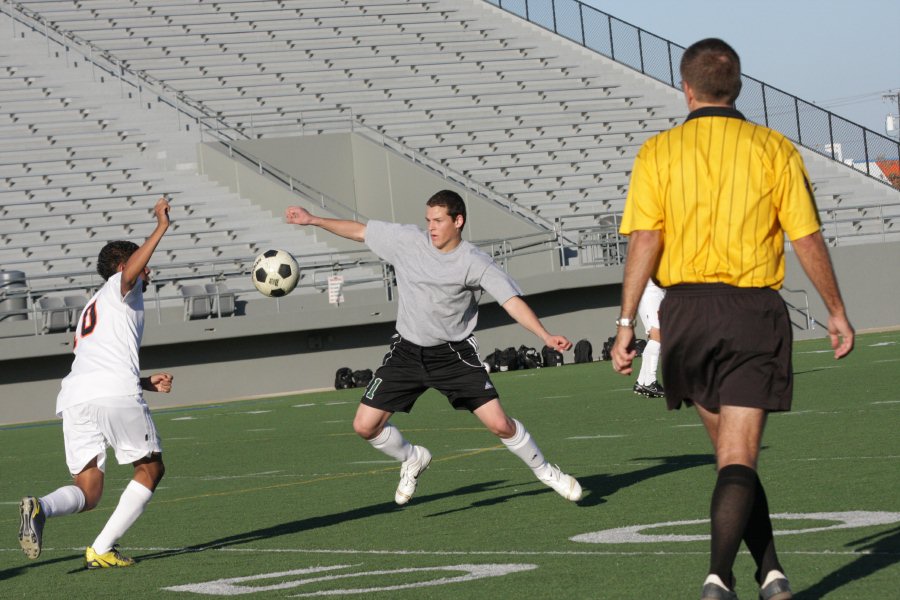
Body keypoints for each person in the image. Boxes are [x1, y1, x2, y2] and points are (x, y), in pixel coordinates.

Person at [610, 39, 853, 600]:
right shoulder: (774, 147)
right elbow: (806, 237)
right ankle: (719, 578)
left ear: (686, 88)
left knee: (729, 458)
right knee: (739, 458)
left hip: (686, 314)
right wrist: (836, 311)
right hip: (751, 313)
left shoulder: (657, 151)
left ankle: (770, 573)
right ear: (738, 86)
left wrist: (626, 322)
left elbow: (646, 239)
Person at [285, 190, 582, 505]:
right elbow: (360, 231)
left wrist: (544, 335)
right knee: (364, 426)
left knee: (500, 424)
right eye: (428, 220)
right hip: (406, 352)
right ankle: (412, 458)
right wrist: (313, 220)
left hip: (453, 356)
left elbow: (510, 301)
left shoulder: (474, 261)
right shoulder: (407, 241)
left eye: (439, 221)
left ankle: (548, 472)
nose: (432, 227)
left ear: (458, 221)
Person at [18, 197, 174, 569]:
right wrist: (161, 227)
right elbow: (130, 274)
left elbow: (98, 362)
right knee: (151, 469)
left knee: (89, 491)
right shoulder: (123, 287)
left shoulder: (95, 305)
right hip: (110, 393)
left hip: (76, 396)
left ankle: (41, 507)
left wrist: (145, 383)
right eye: (141, 265)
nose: (147, 272)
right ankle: (102, 548)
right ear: (123, 267)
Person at [633, 278, 665, 398]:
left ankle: (642, 382)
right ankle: (650, 382)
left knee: (654, 336)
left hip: (647, 289)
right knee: (658, 335)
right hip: (651, 290)